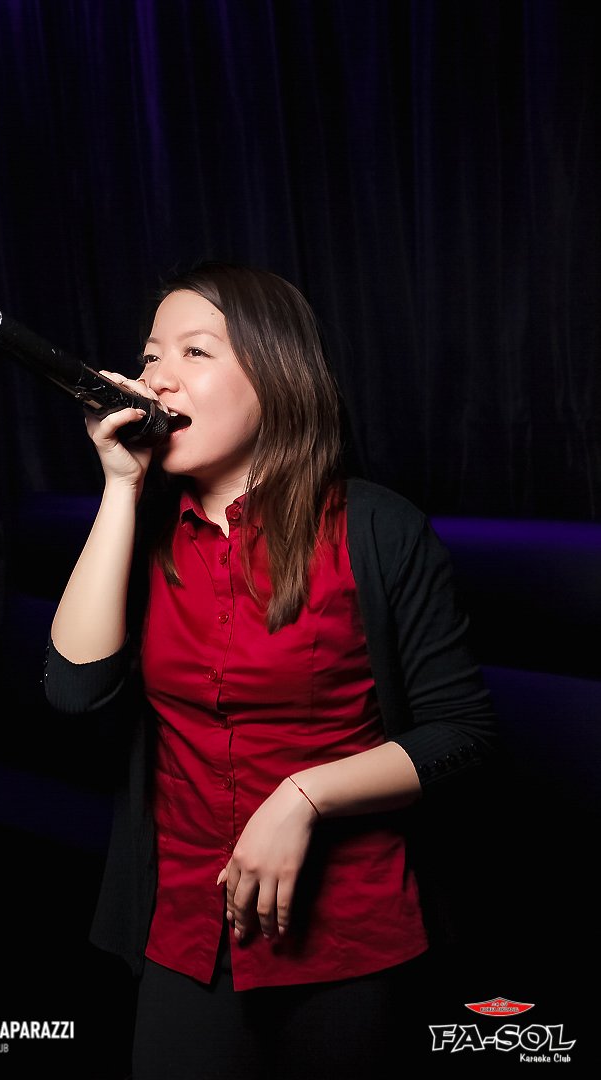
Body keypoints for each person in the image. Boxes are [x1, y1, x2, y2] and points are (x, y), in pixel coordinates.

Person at [43, 261, 497, 1079]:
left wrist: (305, 796)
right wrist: (118, 488)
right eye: (150, 357)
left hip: (353, 936)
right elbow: (74, 689)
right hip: (185, 932)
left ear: (276, 375)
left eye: (195, 351)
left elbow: (464, 733)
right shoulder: (140, 531)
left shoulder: (377, 528)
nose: (158, 378)